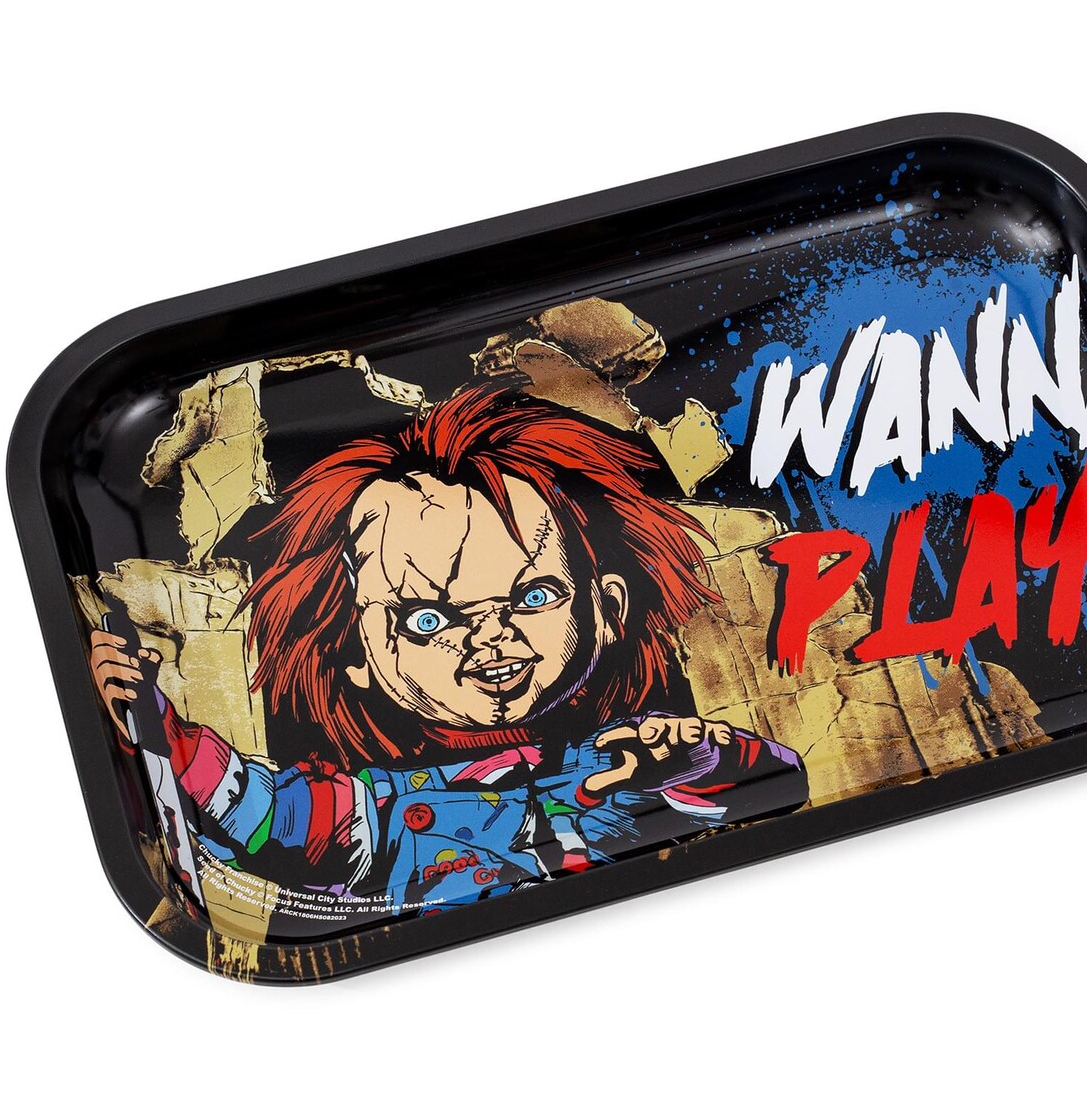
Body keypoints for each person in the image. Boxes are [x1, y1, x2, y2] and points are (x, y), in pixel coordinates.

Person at [88, 384, 806, 920]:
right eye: (427, 619)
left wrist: (697, 755)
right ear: (354, 650)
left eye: (534, 596)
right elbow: (269, 815)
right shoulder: (384, 812)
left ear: (608, 608)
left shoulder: (624, 763)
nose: (489, 637)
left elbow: (776, 782)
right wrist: (161, 731)